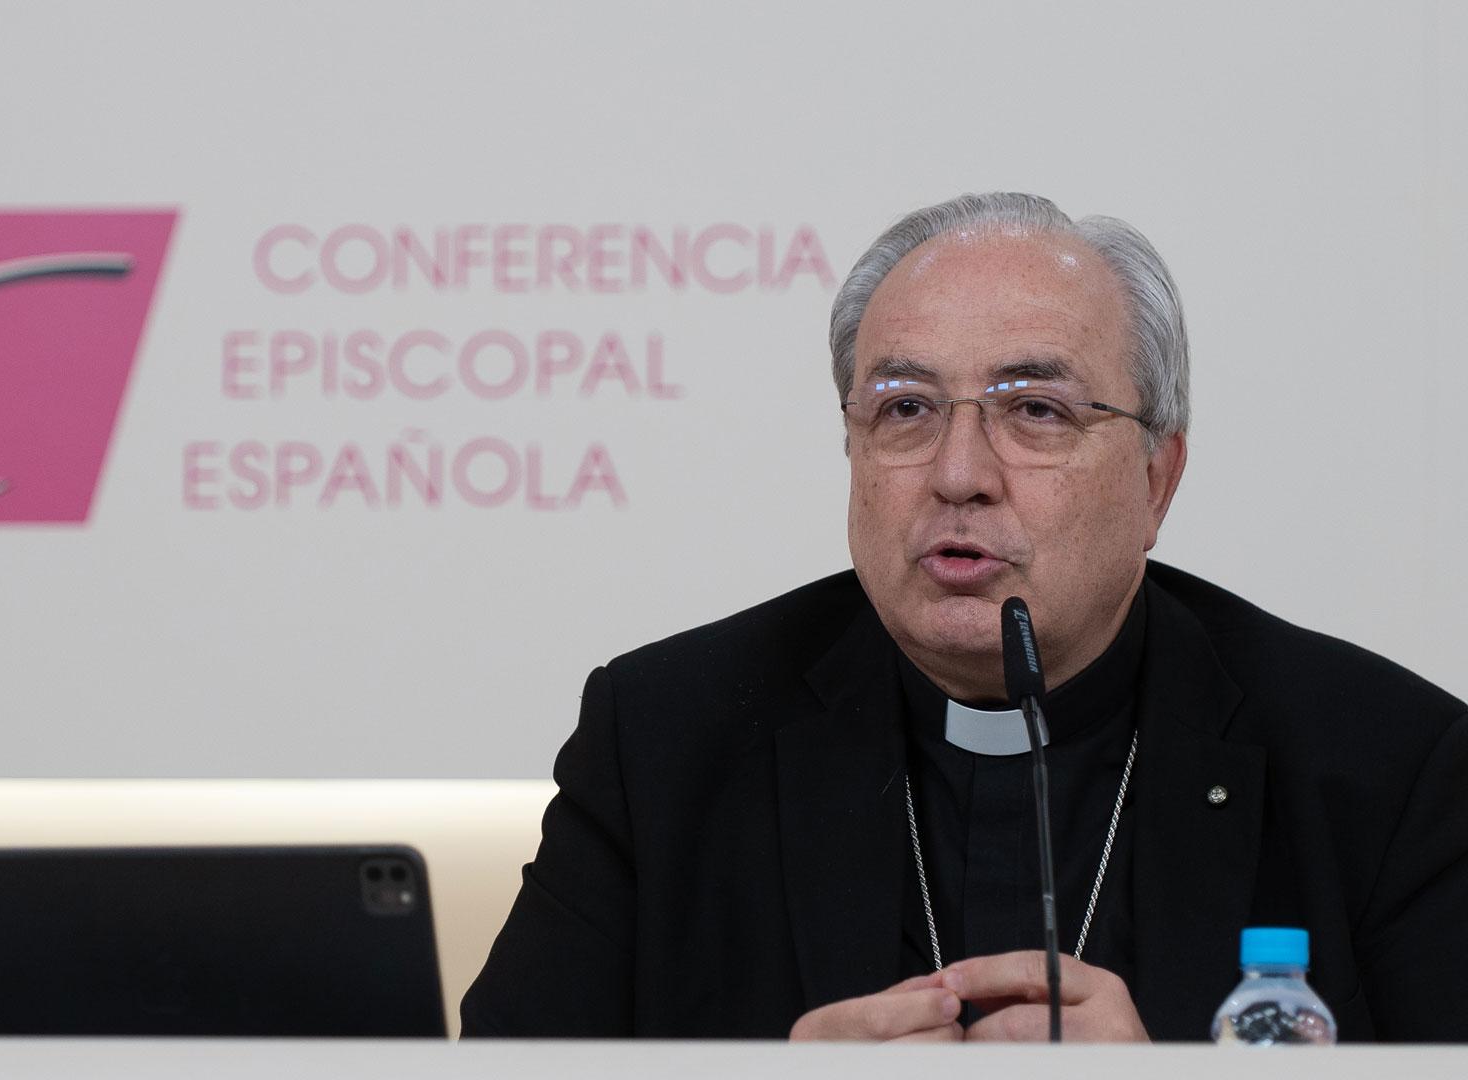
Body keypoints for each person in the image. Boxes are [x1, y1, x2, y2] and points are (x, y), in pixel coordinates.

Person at [459, 193, 1468, 1042]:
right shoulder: (665, 737)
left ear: (1158, 479)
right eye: (904, 408)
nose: (958, 475)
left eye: (1036, 410)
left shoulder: (1387, 769)